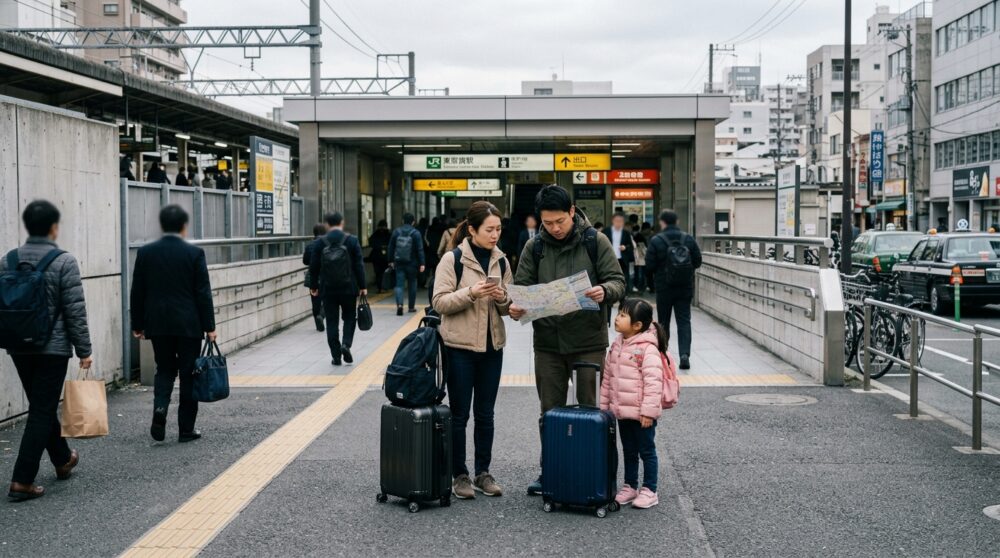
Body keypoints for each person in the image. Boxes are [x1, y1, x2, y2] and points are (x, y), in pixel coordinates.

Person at [511, 185, 625, 495]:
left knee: (590, 409)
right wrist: (515, 307)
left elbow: (618, 281)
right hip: (548, 343)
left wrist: (605, 291)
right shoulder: (535, 247)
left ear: (572, 212)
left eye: (560, 221)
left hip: (588, 341)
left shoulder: (594, 241)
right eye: (548, 223)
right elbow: (522, 288)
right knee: (550, 412)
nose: (555, 228)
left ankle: (593, 470)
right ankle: (552, 469)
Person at [2, 201, 92, 501]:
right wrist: (84, 350)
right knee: (42, 408)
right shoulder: (64, 261)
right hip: (52, 349)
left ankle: (63, 459)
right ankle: (22, 480)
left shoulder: (7, 260)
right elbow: (75, 311)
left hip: (18, 346)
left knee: (42, 404)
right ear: (54, 227)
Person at [432, 201, 513, 500]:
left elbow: (507, 307)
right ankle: (460, 475)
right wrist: (471, 292)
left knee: (486, 414)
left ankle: (483, 473)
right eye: (489, 229)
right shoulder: (452, 260)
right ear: (472, 229)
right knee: (459, 414)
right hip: (460, 348)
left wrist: (503, 298)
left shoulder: (501, 261)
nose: (495, 235)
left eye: (498, 229)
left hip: (492, 347)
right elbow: (439, 302)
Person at [130, 205, 217, 443]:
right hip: (189, 324)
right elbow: (203, 293)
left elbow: (137, 291)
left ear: (162, 225)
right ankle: (186, 429)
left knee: (165, 369)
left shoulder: (146, 253)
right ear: (184, 226)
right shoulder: (194, 253)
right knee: (189, 374)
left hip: (158, 323)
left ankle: (160, 409)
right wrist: (210, 326)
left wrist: (137, 323)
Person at [601, 298, 665, 510]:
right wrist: (604, 409)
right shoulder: (617, 344)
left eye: (622, 315)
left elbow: (654, 383)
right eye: (618, 313)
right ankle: (630, 486)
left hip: (641, 414)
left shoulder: (647, 349)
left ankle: (650, 489)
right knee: (629, 450)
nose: (617, 318)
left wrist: (648, 412)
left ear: (637, 325)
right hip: (622, 411)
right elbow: (608, 379)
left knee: (647, 450)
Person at [644, 210, 702, 371]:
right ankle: (684, 355)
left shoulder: (657, 240)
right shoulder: (688, 239)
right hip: (684, 287)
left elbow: (649, 265)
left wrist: (656, 278)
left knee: (663, 321)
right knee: (684, 321)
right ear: (676, 221)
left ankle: (664, 355)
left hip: (664, 288)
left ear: (662, 222)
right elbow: (698, 261)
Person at [309, 213, 366, 366]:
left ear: (327, 224)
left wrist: (314, 286)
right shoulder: (352, 240)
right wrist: (363, 286)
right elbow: (359, 265)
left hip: (328, 289)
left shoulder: (320, 242)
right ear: (342, 222)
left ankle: (336, 356)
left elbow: (313, 267)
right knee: (349, 317)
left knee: (332, 321)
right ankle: (346, 344)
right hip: (349, 288)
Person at [387, 213, 426, 315]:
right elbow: (420, 249)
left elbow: (391, 247)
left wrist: (390, 261)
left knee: (399, 285)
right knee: (412, 284)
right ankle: (411, 307)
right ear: (413, 222)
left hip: (399, 263)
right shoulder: (416, 233)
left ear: (403, 221)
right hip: (413, 263)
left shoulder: (396, 232)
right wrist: (422, 263)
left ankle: (400, 305)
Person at [303, 223, 329, 332]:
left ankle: (318, 324)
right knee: (328, 299)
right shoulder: (328, 244)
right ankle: (321, 316)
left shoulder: (310, 245)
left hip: (313, 275)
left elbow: (305, 261)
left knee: (315, 300)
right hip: (326, 275)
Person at [604, 212, 636, 294]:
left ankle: (624, 295)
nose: (618, 223)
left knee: (624, 277)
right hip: (610, 258)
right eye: (617, 221)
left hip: (622, 259)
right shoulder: (606, 231)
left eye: (620, 221)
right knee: (609, 277)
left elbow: (631, 246)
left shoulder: (626, 233)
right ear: (613, 221)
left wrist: (625, 247)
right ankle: (610, 294)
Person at [368, 219, 391, 294]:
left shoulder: (375, 234)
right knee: (385, 273)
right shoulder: (389, 234)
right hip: (386, 257)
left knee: (378, 273)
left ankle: (380, 288)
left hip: (376, 257)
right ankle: (385, 287)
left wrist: (378, 247)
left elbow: (371, 242)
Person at [633, 226, 648, 294]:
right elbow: (645, 248)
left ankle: (637, 286)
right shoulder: (642, 237)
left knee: (637, 273)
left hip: (637, 258)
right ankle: (641, 286)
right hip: (642, 258)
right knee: (642, 273)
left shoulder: (634, 237)